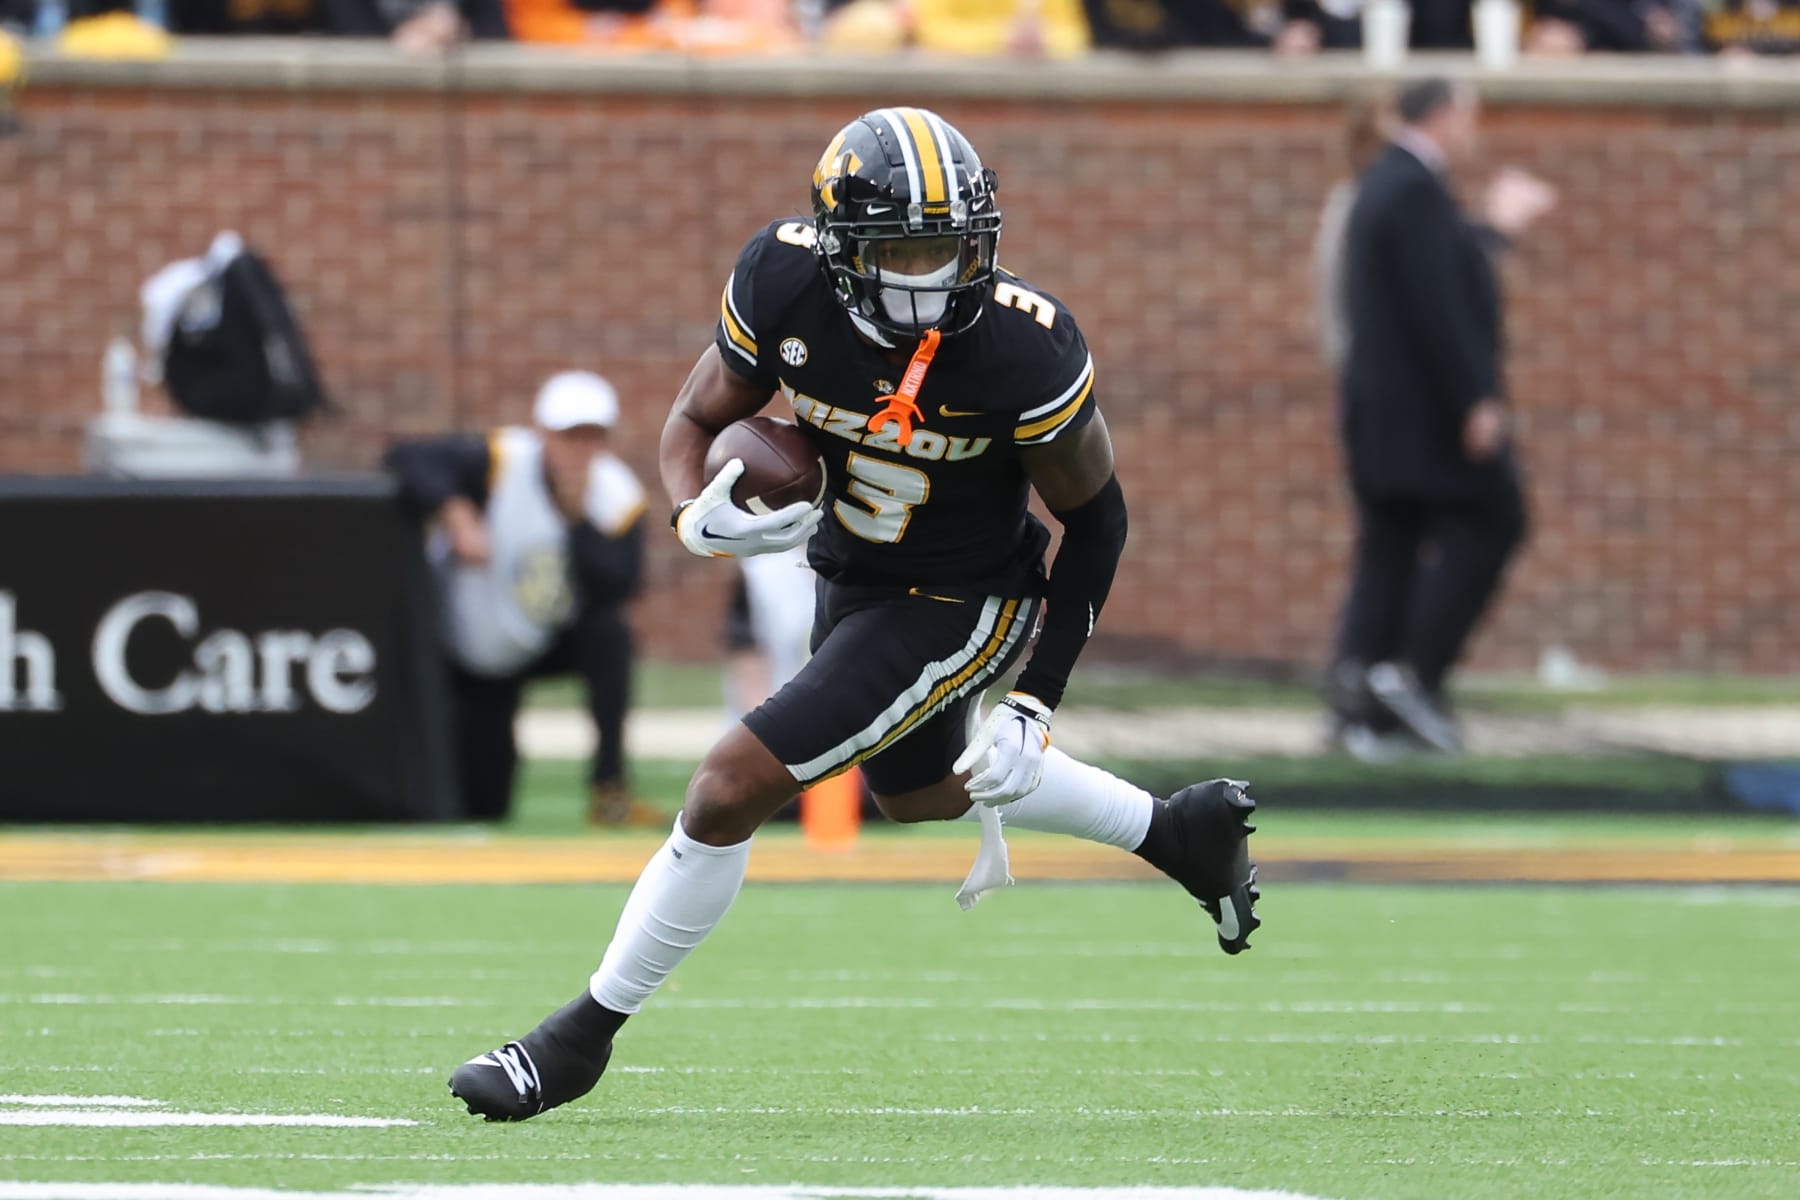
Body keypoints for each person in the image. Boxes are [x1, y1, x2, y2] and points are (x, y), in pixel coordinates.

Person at [448, 106, 1262, 1123]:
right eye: (904, 248)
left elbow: (1097, 526)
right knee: (918, 794)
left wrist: (1035, 702)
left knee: (726, 784)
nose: (933, 276)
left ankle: (576, 1039)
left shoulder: (1023, 349)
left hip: (970, 595)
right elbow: (694, 421)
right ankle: (1174, 833)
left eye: (950, 245)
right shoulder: (782, 280)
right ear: (841, 253)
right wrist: (692, 510)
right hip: (856, 574)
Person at [1327, 79, 1552, 759]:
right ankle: (1409, 675)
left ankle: (1360, 705)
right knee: (1497, 516)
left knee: (1389, 550)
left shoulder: (1385, 184)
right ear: (1445, 116)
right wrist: (1476, 398)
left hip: (1379, 415)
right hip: (1420, 417)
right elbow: (1442, 305)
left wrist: (1492, 229)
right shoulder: (1414, 187)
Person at [385, 370, 657, 825]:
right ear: (542, 434)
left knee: (611, 637)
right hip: (469, 647)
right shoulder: (500, 462)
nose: (580, 450)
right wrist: (458, 514)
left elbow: (620, 585)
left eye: (592, 437)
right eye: (570, 436)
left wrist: (577, 524)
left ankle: (609, 785)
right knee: (484, 802)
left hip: (540, 637)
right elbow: (406, 457)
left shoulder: (616, 497)